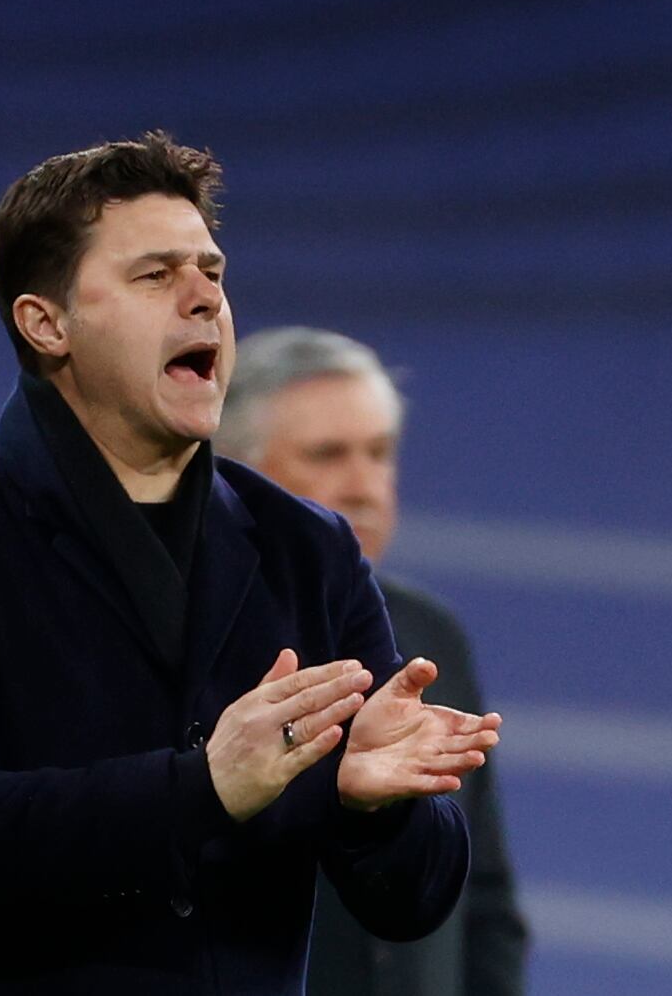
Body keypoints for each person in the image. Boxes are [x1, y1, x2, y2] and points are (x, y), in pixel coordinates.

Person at [0, 132, 502, 995]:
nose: (203, 301)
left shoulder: (308, 549)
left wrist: (375, 809)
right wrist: (201, 789)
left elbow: (414, 904)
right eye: (155, 276)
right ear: (46, 322)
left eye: (212, 273)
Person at [220, 328, 529, 996]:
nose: (362, 486)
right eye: (327, 455)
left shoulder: (431, 635)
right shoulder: (197, 639)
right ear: (239, 476)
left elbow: (484, 901)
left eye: (379, 454)